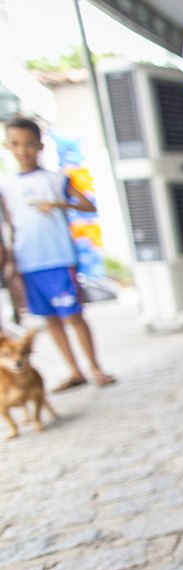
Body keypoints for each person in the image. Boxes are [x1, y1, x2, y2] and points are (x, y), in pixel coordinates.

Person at [0, 117, 115, 392]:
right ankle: (74, 371)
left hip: (59, 259)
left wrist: (59, 204)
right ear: (7, 146)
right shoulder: (6, 187)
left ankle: (95, 367)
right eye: (16, 144)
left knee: (73, 315)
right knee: (50, 318)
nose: (23, 150)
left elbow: (87, 204)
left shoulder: (56, 179)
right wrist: (9, 263)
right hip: (28, 262)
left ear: (39, 145)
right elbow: (8, 227)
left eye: (29, 144)